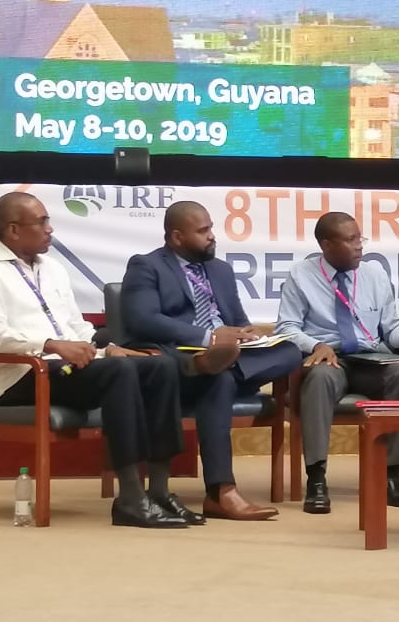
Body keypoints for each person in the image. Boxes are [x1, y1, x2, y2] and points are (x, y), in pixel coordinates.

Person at [0, 192, 192, 529]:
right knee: (119, 372)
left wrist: (106, 347)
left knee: (160, 365)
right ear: (12, 230)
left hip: (66, 369)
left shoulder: (52, 268)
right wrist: (52, 344)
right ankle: (129, 497)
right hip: (22, 374)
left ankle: (159, 491)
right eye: (41, 222)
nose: (50, 229)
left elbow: (76, 327)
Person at [119, 201, 302, 521]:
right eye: (202, 231)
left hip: (220, 358)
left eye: (211, 229)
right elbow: (142, 320)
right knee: (217, 379)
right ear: (177, 237)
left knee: (287, 351)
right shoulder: (147, 266)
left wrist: (247, 334)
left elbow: (237, 320)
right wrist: (208, 339)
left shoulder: (221, 270)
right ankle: (222, 492)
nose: (211, 236)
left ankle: (217, 365)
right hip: (176, 358)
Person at [275, 211, 399, 514]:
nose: (360, 246)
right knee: (318, 380)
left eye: (360, 238)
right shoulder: (301, 275)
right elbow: (287, 328)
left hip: (371, 358)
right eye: (351, 240)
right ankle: (316, 478)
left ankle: (391, 476)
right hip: (331, 360)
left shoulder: (375, 274)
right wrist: (315, 344)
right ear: (327, 245)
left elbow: (391, 324)